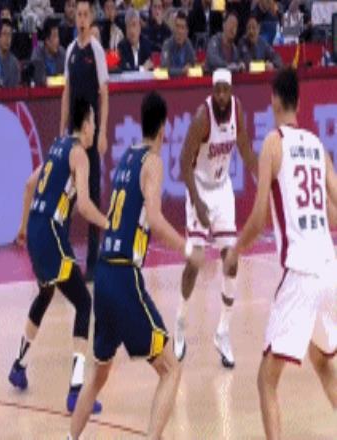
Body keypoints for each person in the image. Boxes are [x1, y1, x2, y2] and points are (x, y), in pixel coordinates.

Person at [68, 92, 203, 440]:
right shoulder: (153, 162)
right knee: (171, 368)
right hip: (125, 276)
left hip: (103, 274)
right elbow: (154, 219)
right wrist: (188, 248)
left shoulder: (127, 156)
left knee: (97, 376)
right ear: (164, 127)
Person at [224, 67, 337, 440]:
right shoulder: (317, 146)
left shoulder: (273, 144)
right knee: (322, 361)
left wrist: (236, 250)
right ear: (299, 103)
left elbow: (258, 220)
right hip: (329, 269)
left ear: (274, 100)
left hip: (301, 273)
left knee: (266, 380)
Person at [8, 98, 109, 415]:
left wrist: (22, 227)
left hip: (37, 231)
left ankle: (18, 366)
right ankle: (76, 392)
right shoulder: (80, 154)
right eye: (93, 122)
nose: (95, 128)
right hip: (51, 234)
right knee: (84, 303)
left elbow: (29, 185)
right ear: (85, 125)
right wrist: (110, 224)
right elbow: (85, 206)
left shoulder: (57, 147)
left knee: (46, 292)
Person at [174, 68, 257, 368]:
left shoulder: (237, 110)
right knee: (195, 262)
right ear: (212, 91)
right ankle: (180, 322)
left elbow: (245, 150)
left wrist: (262, 176)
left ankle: (222, 331)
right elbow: (183, 161)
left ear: (231, 91)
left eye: (226, 90)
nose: (222, 95)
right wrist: (197, 203)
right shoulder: (203, 117)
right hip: (199, 188)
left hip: (222, 189)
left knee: (231, 260)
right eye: (217, 90)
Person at [60, 0, 109, 281]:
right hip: (73, 136)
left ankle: (92, 263)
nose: (81, 19)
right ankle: (65, 259)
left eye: (85, 15)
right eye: (78, 14)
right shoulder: (70, 51)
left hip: (90, 137)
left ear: (91, 18)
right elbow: (66, 92)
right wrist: (62, 129)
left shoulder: (96, 50)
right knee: (68, 197)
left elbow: (105, 94)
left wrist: (102, 132)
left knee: (90, 196)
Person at [31, 17, 66, 85]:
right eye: (55, 36)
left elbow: (67, 78)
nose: (58, 40)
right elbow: (40, 80)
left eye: (58, 36)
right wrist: (60, 80)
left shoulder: (62, 52)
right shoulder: (37, 52)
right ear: (47, 41)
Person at [160, 10, 195, 76]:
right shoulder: (167, 45)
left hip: (185, 81)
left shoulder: (188, 44)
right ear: (173, 28)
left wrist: (190, 65)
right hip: (170, 82)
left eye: (182, 27)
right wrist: (182, 71)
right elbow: (165, 68)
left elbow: (193, 62)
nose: (179, 31)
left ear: (187, 31)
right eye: (177, 26)